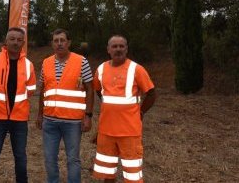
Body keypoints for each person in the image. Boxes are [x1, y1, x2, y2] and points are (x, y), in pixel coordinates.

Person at [91, 35, 157, 183]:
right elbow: (97, 90)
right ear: (108, 49)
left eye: (122, 46)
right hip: (106, 132)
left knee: (132, 176)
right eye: (114, 46)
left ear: (127, 49)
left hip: (130, 133)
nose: (118, 49)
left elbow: (151, 94)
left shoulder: (137, 69)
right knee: (107, 174)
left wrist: (140, 112)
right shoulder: (101, 69)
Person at [36, 29, 93, 183]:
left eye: (62, 40)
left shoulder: (81, 61)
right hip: (50, 121)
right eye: (56, 40)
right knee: (49, 159)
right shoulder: (46, 62)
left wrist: (88, 116)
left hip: (73, 122)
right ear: (52, 43)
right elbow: (43, 90)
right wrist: (40, 114)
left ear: (69, 42)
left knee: (73, 160)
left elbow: (90, 88)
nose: (59, 43)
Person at [0, 27, 36, 183]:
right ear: (6, 41)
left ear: (23, 43)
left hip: (19, 118)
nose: (15, 42)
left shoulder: (28, 65)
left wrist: (19, 104)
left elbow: (31, 89)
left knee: (20, 156)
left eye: (19, 40)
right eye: (12, 39)